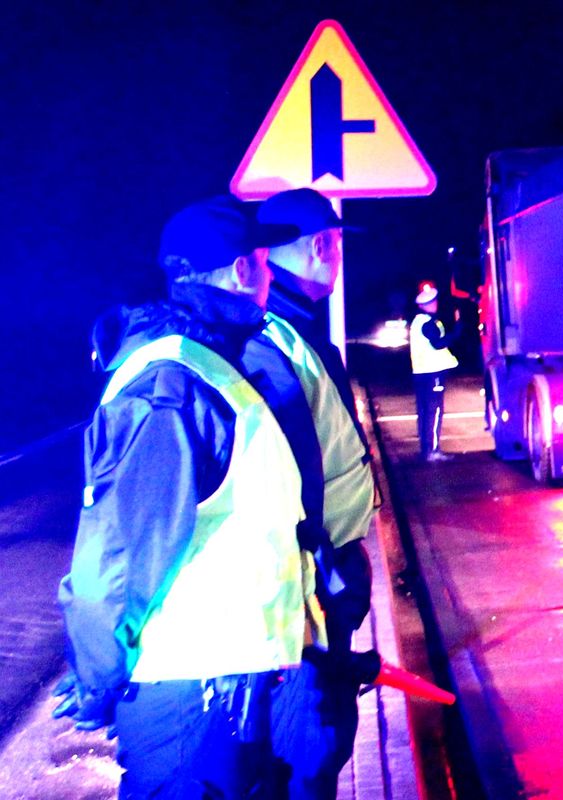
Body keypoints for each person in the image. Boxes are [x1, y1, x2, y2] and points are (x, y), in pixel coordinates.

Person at [55, 196, 322, 798]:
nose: (271, 275)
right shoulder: (172, 385)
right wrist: (97, 680)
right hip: (187, 706)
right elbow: (116, 559)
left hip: (222, 696)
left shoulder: (209, 367)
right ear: (241, 271)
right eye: (264, 262)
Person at [257, 187, 378, 798]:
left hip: (325, 577)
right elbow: (281, 479)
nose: (333, 253)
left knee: (322, 743)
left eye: (333, 242)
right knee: (311, 749)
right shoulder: (273, 340)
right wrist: (324, 570)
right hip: (308, 587)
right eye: (323, 242)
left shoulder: (299, 328)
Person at [409, 282, 460, 462]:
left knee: (424, 411)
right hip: (433, 373)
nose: (435, 304)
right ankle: (433, 450)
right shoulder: (427, 323)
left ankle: (426, 449)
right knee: (435, 411)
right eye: (432, 302)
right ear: (425, 305)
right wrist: (457, 331)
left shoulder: (419, 322)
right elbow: (438, 344)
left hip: (421, 373)